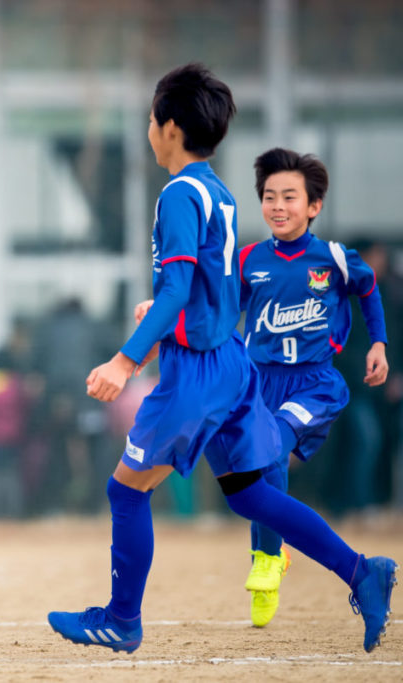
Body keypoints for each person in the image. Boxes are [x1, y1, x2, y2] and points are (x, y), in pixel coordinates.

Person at [44, 63, 396, 654]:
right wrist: (163, 313)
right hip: (232, 363)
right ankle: (363, 572)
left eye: (152, 119)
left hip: (198, 372)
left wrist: (127, 361)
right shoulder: (218, 189)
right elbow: (210, 292)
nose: (149, 129)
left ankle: (121, 620)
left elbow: (183, 290)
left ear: (171, 127)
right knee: (251, 494)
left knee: (126, 491)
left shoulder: (178, 194)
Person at [238, 148, 389, 627]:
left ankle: (266, 558)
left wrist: (379, 344)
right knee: (254, 477)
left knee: (270, 452)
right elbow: (219, 315)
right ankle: (271, 556)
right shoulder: (248, 261)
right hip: (260, 384)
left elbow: (368, 290)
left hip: (315, 384)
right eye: (268, 196)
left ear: (313, 206)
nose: (277, 206)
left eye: (288, 196)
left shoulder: (336, 260)